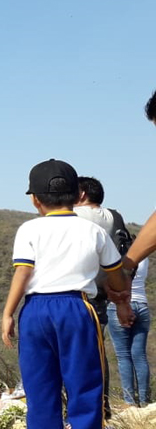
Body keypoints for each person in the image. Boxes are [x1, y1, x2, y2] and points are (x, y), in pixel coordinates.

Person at [1, 159, 132, 429]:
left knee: (39, 387)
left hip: (35, 310)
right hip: (77, 307)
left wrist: (8, 313)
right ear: (76, 195)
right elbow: (115, 272)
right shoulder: (94, 231)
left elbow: (22, 273)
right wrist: (120, 296)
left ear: (35, 200)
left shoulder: (28, 229)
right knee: (84, 383)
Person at [74, 175, 130, 416]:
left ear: (82, 194)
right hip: (103, 295)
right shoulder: (114, 217)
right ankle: (102, 407)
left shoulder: (72, 216)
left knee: (70, 353)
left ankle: (72, 407)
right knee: (97, 352)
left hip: (75, 294)